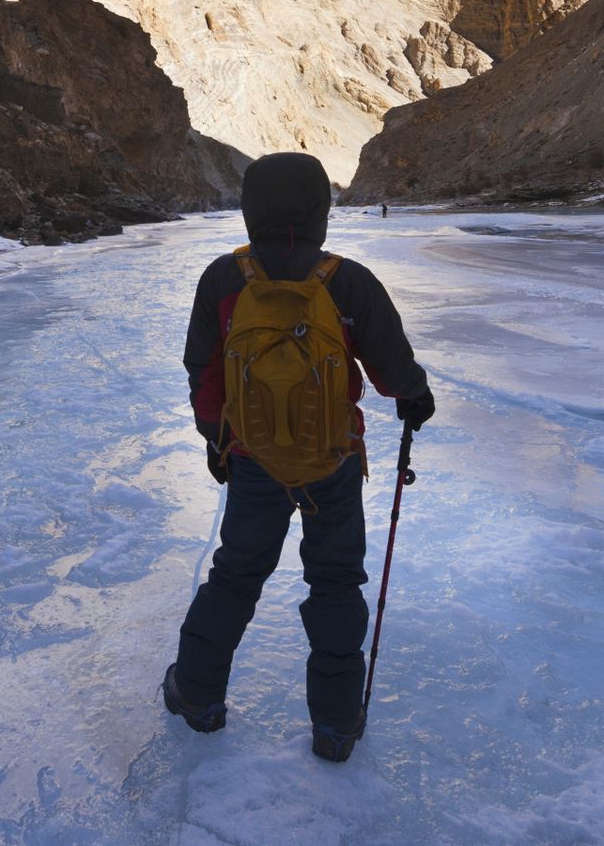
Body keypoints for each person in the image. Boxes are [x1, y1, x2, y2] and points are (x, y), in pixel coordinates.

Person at [161, 152, 435, 762]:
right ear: (320, 210)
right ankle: (336, 725)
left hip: (254, 460)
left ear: (249, 207)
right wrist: (416, 399)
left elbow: (203, 373)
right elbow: (392, 369)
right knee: (336, 584)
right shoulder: (348, 280)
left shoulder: (223, 280)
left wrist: (217, 439)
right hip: (333, 462)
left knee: (235, 576)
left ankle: (198, 696)